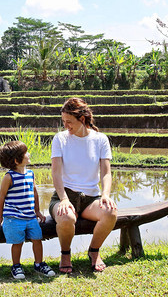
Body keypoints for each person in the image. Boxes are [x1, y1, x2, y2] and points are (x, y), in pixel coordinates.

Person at [49, 97, 117, 274]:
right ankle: (65, 254)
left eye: (69, 122)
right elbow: (56, 173)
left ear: (82, 119)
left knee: (110, 212)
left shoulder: (100, 139)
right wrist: (63, 199)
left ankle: (94, 251)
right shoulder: (60, 139)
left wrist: (105, 195)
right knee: (66, 217)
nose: (66, 126)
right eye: (63, 121)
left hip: (91, 199)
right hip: (65, 196)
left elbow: (106, 173)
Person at [0, 141, 55, 279]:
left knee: (37, 239)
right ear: (16, 160)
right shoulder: (9, 177)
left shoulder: (30, 174)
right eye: (25, 153)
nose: (29, 154)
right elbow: (1, 197)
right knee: (17, 242)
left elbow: (35, 192)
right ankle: (16, 266)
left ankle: (39, 264)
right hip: (14, 217)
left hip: (30, 216)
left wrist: (37, 211)